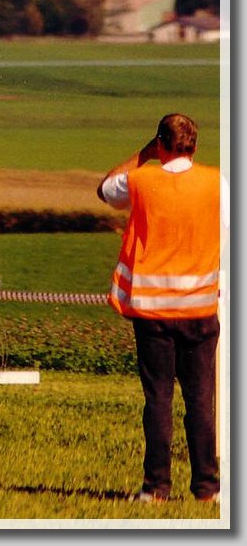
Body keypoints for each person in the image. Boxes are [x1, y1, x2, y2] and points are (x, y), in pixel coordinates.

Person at [97, 113, 227, 503]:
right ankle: (207, 487)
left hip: (152, 313)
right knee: (201, 400)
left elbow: (104, 190)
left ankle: (156, 486)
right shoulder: (214, 182)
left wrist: (143, 154)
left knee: (158, 400)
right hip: (200, 309)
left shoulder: (140, 180)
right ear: (195, 146)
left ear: (160, 144)